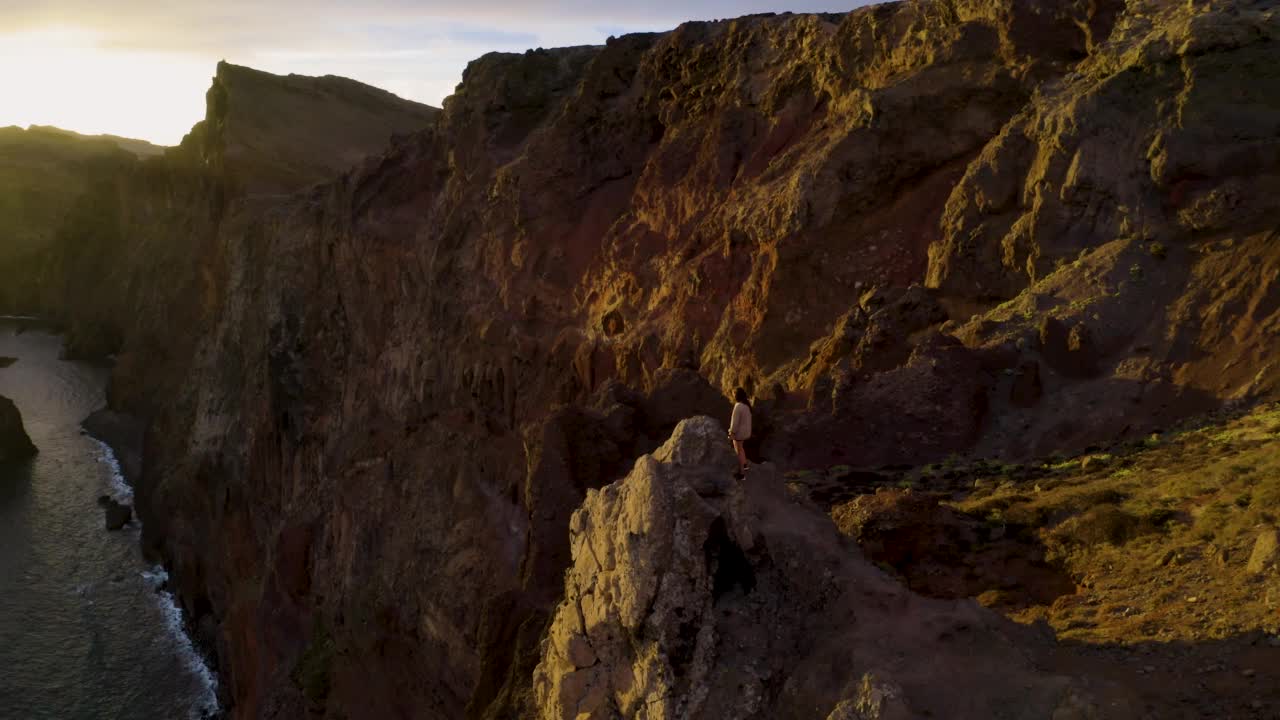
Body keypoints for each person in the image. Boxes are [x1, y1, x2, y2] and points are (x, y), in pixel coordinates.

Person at [727, 387, 751, 479]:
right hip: (746, 432)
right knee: (741, 448)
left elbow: (734, 423)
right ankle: (745, 465)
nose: (732, 396)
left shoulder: (737, 406)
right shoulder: (746, 405)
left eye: (733, 394)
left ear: (736, 396)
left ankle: (742, 474)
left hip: (739, 433)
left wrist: (731, 433)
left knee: (738, 451)